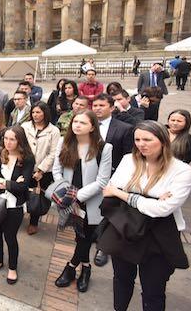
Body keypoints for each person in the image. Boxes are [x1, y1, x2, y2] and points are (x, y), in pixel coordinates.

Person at [102, 121, 191, 311]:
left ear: (163, 141)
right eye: (137, 139)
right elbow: (109, 191)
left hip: (159, 235)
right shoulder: (128, 160)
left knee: (153, 291)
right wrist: (152, 197)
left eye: (147, 139)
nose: (141, 144)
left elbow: (163, 210)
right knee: (121, 280)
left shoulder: (182, 170)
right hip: (126, 228)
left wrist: (124, 194)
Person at [52, 110, 112, 292]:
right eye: (75, 121)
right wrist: (65, 191)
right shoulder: (64, 142)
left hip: (90, 201)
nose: (77, 125)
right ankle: (85, 266)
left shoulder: (104, 148)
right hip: (68, 198)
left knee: (85, 236)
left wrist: (77, 196)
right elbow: (56, 170)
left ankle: (71, 267)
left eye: (83, 123)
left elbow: (102, 181)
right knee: (80, 236)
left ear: (92, 126)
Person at [0, 126, 35, 285]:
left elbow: (24, 186)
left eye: (12, 139)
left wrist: (2, 182)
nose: (8, 142)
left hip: (14, 205)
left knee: (10, 237)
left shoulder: (26, 159)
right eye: (6, 138)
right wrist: (10, 183)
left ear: (19, 140)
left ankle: (12, 267)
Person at [22, 102, 60, 235]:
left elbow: (53, 153)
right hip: (24, 167)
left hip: (43, 170)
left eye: (38, 112)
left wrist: (41, 170)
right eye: (33, 112)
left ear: (45, 113)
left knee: (37, 197)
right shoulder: (25, 126)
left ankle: (33, 222)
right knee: (20, 191)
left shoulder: (53, 130)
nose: (35, 115)